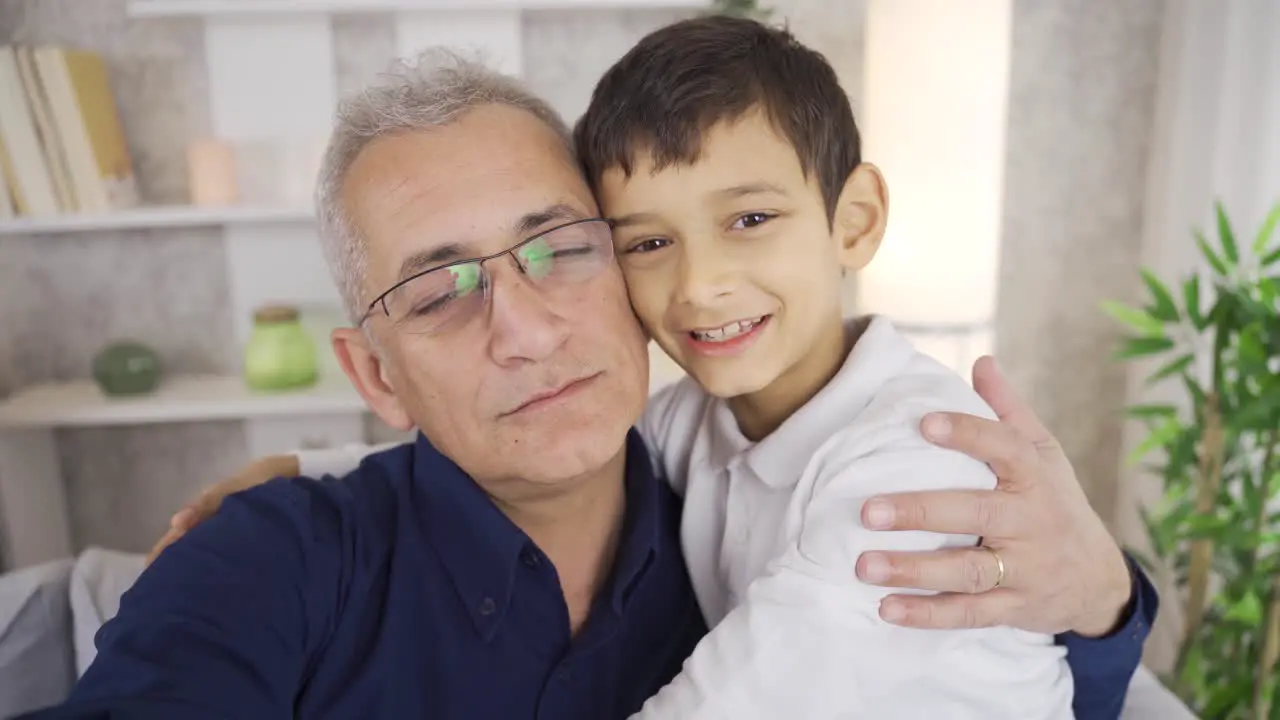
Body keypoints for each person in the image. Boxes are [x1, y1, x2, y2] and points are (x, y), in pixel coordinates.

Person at [32, 44, 1152, 720]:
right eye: (439, 292)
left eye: (560, 248)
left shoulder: (828, 484)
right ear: (377, 373)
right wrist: (304, 469)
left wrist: (1100, 602)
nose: (522, 330)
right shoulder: (265, 560)